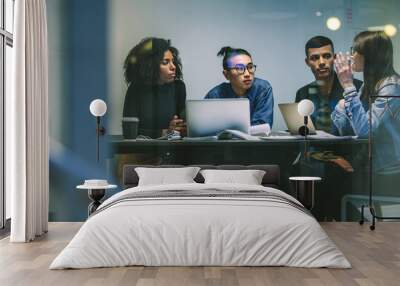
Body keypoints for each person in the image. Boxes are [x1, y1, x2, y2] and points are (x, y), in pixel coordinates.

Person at [332, 31, 400, 173]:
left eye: (355, 50)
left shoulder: (391, 87)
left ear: (370, 56)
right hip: (371, 166)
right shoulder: (369, 84)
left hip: (390, 170)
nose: (351, 55)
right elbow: (347, 131)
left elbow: (364, 131)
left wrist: (348, 85)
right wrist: (341, 107)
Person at [296, 36, 364, 135]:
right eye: (315, 58)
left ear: (335, 58)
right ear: (307, 62)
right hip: (314, 149)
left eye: (327, 56)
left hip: (349, 149)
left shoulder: (357, 88)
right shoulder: (303, 93)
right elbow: (300, 131)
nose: (322, 62)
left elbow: (365, 131)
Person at [123, 37, 186, 138]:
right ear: (150, 66)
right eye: (165, 62)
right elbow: (129, 131)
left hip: (172, 149)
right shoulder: (135, 89)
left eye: (173, 61)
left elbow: (182, 128)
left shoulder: (179, 87)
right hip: (142, 150)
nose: (173, 66)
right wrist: (164, 132)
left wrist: (179, 127)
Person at [205, 46, 274, 128]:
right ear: (226, 75)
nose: (247, 74)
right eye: (240, 68)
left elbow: (263, 126)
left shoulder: (263, 89)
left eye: (250, 67)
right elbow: (206, 126)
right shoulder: (215, 95)